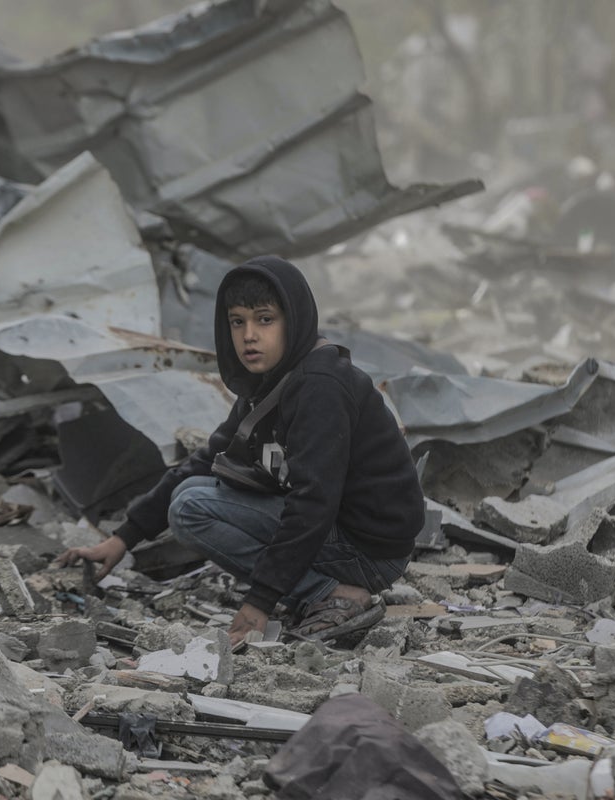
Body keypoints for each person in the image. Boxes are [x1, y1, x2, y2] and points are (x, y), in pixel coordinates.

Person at [57, 255, 425, 647]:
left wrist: (260, 602)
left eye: (265, 319)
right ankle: (320, 587)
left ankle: (332, 594)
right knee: (189, 493)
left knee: (191, 508)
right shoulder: (271, 384)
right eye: (238, 321)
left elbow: (314, 501)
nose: (249, 335)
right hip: (341, 532)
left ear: (293, 320)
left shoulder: (321, 387)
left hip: (369, 549)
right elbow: (207, 458)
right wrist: (124, 537)